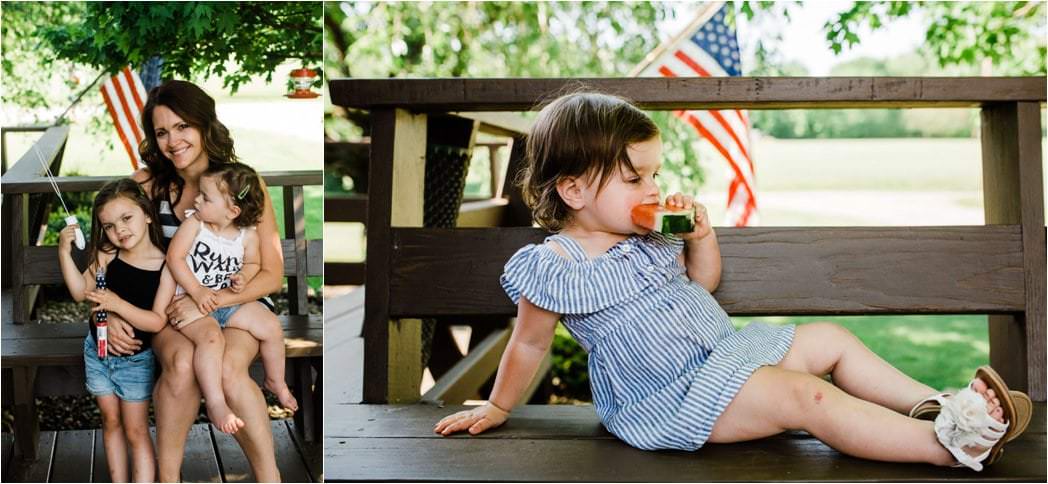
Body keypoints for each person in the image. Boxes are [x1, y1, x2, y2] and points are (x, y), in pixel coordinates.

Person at [434, 91, 1032, 471]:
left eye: (654, 174)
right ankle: (950, 449)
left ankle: (940, 406)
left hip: (723, 357)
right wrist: (497, 404)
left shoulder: (651, 238)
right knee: (808, 398)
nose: (652, 188)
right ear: (573, 190)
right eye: (634, 177)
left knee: (830, 338)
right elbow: (530, 342)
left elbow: (704, 284)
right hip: (672, 397)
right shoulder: (557, 265)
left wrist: (701, 237)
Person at [100, 79, 283, 481]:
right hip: (172, 308)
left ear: (204, 126)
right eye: (162, 131)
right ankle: (168, 477)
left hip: (238, 303)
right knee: (182, 364)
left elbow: (272, 273)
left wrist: (212, 298)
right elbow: (104, 255)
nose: (173, 140)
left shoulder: (242, 186)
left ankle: (270, 477)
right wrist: (107, 315)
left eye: (182, 127)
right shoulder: (147, 186)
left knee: (229, 369)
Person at [167, 162, 298, 434]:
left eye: (206, 197)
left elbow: (252, 263)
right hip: (194, 304)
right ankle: (215, 402)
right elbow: (175, 258)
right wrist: (197, 291)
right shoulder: (195, 224)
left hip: (229, 303)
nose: (197, 200)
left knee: (271, 327)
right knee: (212, 339)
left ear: (232, 211)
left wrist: (243, 277)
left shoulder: (246, 235)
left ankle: (276, 381)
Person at [58, 178, 175, 482]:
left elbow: (156, 321)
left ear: (147, 213)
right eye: (109, 225)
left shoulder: (166, 265)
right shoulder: (109, 254)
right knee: (110, 422)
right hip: (97, 353)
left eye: (127, 218)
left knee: (136, 429)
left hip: (135, 361)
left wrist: (116, 305)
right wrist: (63, 251)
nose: (119, 230)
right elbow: (80, 291)